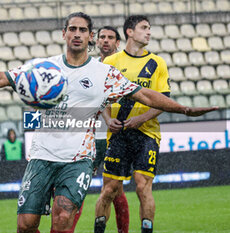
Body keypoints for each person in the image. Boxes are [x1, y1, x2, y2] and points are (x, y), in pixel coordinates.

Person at [0, 12, 216, 233]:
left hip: (78, 159)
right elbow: (2, 77)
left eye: (83, 30)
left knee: (63, 220)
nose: (77, 34)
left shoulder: (104, 74)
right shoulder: (42, 68)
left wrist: (184, 109)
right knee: (25, 225)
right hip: (40, 157)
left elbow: (145, 94)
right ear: (64, 34)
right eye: (72, 29)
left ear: (91, 37)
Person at [94, 15, 172, 233]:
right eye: (144, 28)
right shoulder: (110, 62)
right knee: (109, 189)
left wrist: (140, 119)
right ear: (130, 31)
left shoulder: (157, 63)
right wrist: (108, 120)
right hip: (118, 135)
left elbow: (163, 101)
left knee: (142, 186)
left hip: (147, 133)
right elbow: (101, 98)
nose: (149, 32)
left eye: (149, 28)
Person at [93, 25, 130, 233]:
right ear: (97, 41)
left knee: (114, 189)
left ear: (118, 42)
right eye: (102, 37)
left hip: (114, 136)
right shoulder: (89, 66)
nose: (105, 41)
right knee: (75, 190)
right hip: (89, 136)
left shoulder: (125, 68)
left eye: (110, 38)